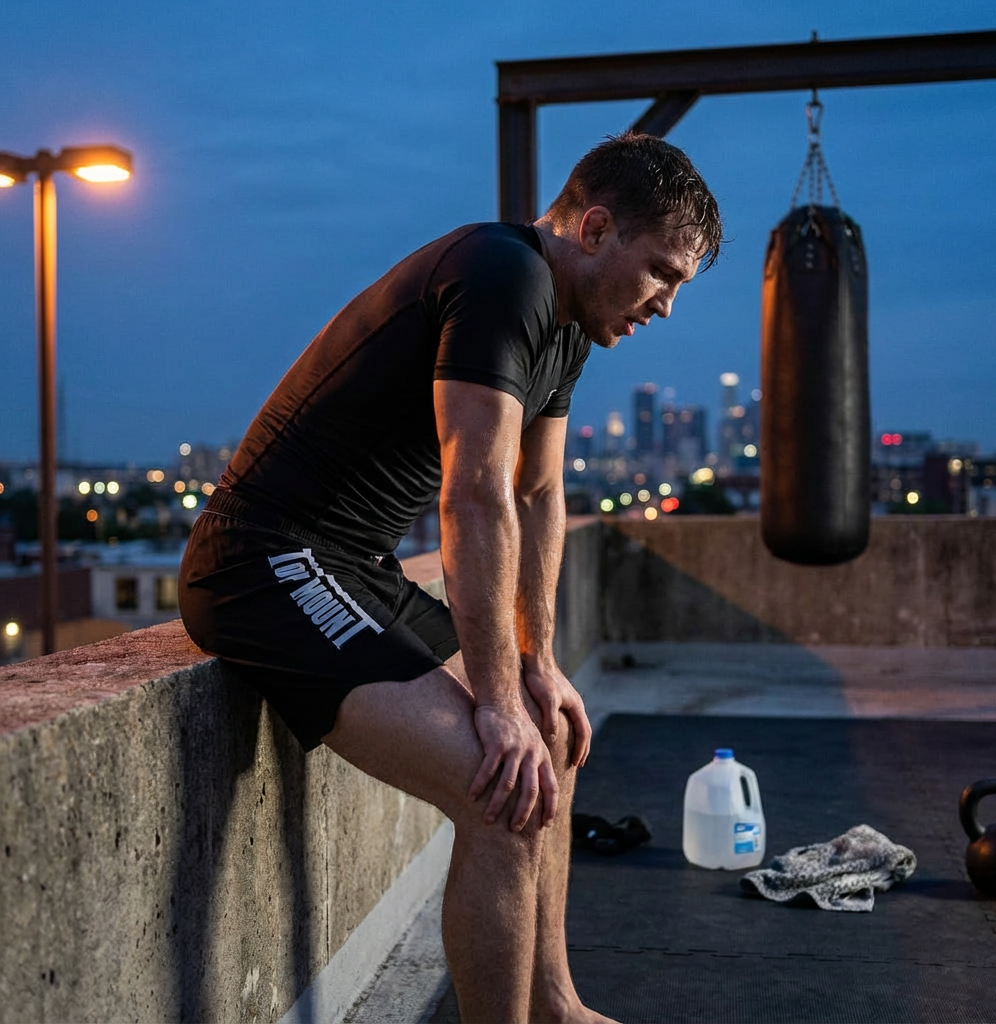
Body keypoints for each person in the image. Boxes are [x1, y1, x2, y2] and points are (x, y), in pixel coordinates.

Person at [179, 130, 721, 1024]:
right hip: (263, 560)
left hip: (349, 563)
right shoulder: (502, 275)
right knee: (502, 792)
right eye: (662, 271)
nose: (664, 306)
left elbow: (539, 493)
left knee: (553, 747)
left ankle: (553, 1005)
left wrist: (535, 667)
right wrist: (494, 704)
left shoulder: (571, 328)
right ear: (593, 228)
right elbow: (473, 495)